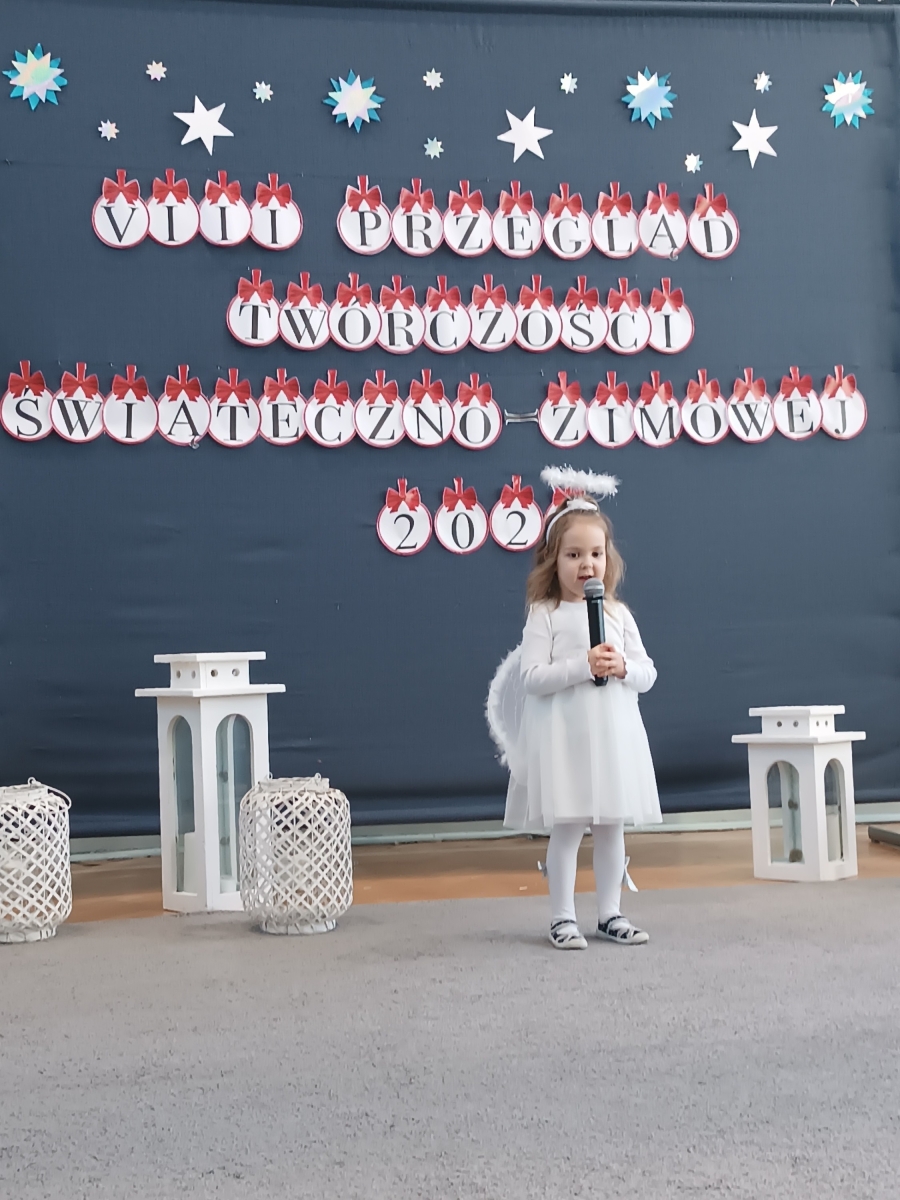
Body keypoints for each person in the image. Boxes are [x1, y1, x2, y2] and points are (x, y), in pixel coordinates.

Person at [487, 470, 662, 949]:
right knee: (567, 829)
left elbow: (648, 673)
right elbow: (532, 678)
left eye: (596, 554)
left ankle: (610, 913)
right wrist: (581, 665)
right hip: (566, 740)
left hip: (612, 739)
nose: (587, 565)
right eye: (574, 555)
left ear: (608, 558)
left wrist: (623, 667)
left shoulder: (617, 614)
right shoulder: (544, 615)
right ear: (554, 559)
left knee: (611, 828)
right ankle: (562, 917)